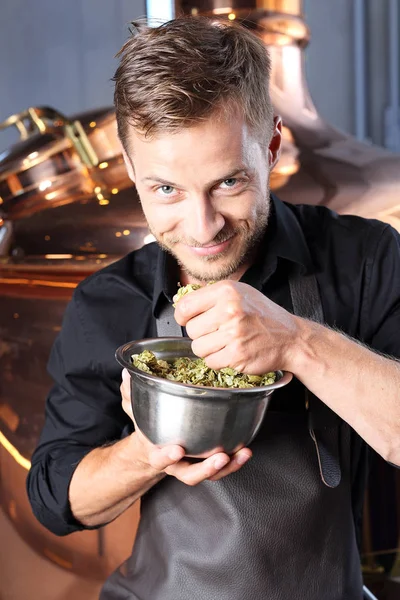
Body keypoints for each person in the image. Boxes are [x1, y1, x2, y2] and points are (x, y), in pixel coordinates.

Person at [27, 16, 400, 600]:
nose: (202, 228)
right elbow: (57, 501)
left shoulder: (364, 259)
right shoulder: (107, 302)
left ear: (271, 145)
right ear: (130, 169)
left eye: (229, 182)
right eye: (166, 190)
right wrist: (150, 447)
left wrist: (296, 342)